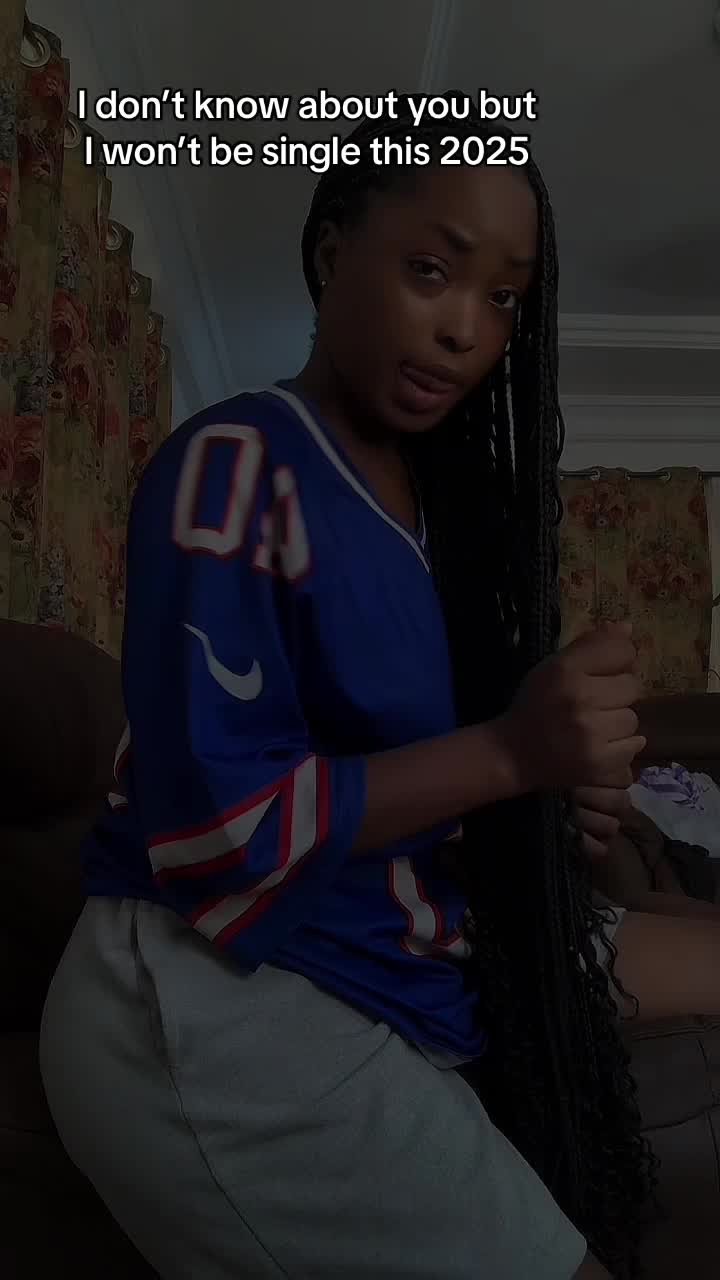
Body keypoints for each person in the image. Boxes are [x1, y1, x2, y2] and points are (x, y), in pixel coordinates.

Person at [40, 96, 696, 1279]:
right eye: (432, 270)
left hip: (395, 948)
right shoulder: (239, 464)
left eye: (505, 299)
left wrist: (549, 799)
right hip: (224, 984)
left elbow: (429, 792)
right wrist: (512, 751)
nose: (466, 329)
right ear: (333, 250)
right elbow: (216, 833)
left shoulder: (446, 536)